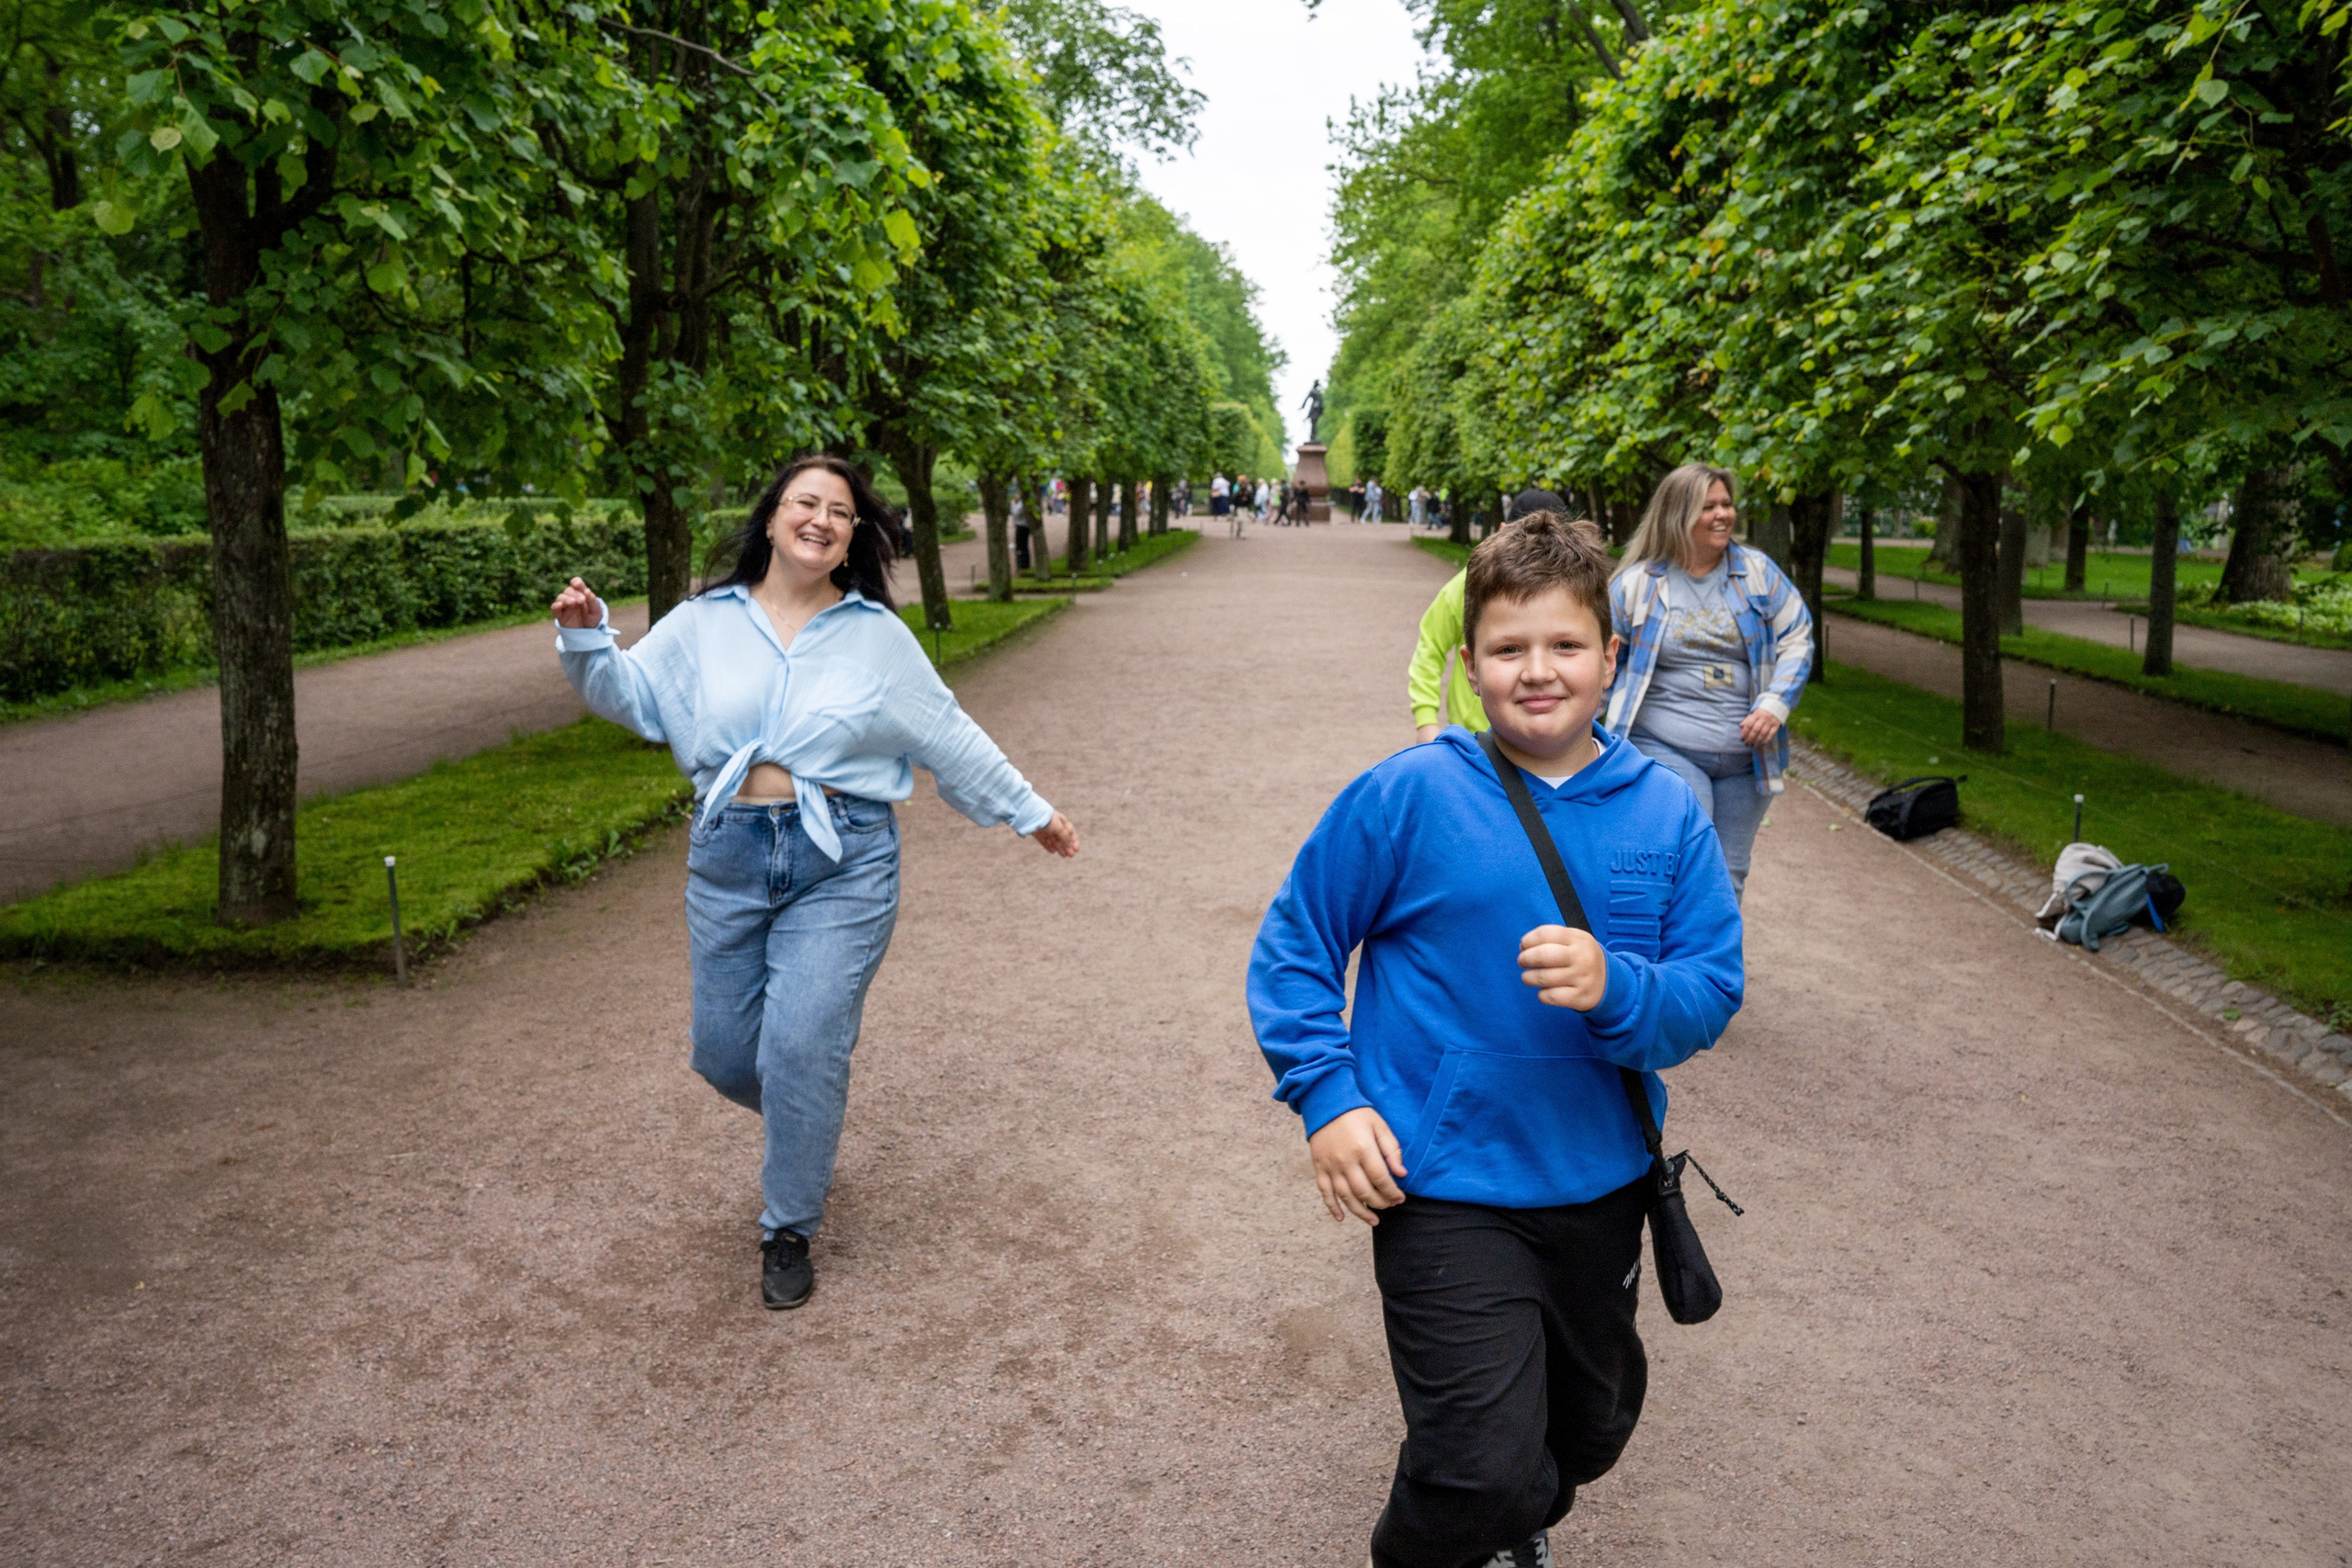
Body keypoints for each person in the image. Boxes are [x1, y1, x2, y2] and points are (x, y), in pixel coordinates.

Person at [1249, 512, 1742, 1568]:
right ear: (1469, 666)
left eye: (1564, 644)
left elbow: (1709, 990)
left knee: (1587, 1433)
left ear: (1611, 657)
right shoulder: (1408, 793)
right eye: (1508, 648)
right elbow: (1296, 944)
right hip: (1441, 1185)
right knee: (1476, 1463)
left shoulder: (1667, 812)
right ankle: (1471, 1521)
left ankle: (1514, 1513)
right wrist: (1327, 1098)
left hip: (1598, 1184)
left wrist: (1619, 986)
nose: (1537, 670)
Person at [549, 455, 1081, 1311]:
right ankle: (810, 1104)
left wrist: (1031, 810)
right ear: (771, 518)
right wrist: (586, 635)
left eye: (839, 511)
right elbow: (633, 693)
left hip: (844, 860)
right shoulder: (704, 621)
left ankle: (788, 1226)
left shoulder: (877, 635)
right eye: (806, 502)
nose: (821, 519)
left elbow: (949, 732)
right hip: (727, 855)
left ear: (851, 537)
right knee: (725, 1056)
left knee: (799, 1046)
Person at [1605, 462, 1811, 902]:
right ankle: (1673, 944)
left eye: (1727, 504)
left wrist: (1775, 704)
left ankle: (1715, 950)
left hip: (1748, 758)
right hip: (1666, 746)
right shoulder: (1637, 584)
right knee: (1690, 862)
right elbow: (1601, 660)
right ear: (1677, 514)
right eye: (1708, 506)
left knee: (1730, 873)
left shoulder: (1757, 573)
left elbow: (1797, 635)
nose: (1723, 515)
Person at [1411, 489, 1567, 742]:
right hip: (1473, 738)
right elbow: (1430, 648)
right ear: (1502, 532)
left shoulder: (1575, 596)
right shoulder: (1466, 586)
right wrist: (1426, 719)